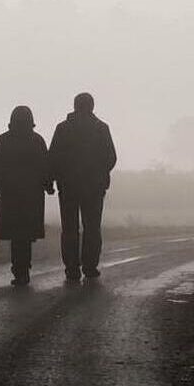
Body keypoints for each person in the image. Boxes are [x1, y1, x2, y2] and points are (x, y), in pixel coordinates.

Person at [48, 92, 117, 281]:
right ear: (92, 107)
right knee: (92, 228)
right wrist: (100, 173)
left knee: (69, 229)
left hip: (68, 187)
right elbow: (111, 157)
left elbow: (53, 157)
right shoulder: (101, 128)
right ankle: (90, 267)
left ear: (75, 106)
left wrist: (51, 180)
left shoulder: (63, 129)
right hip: (94, 187)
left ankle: (71, 269)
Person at [0, 106, 54, 286]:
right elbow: (46, 167)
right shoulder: (37, 141)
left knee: (16, 236)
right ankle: (23, 268)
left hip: (10, 197)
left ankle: (19, 270)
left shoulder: (2, 141)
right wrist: (48, 186)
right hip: (32, 197)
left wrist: (0, 186)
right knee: (26, 236)